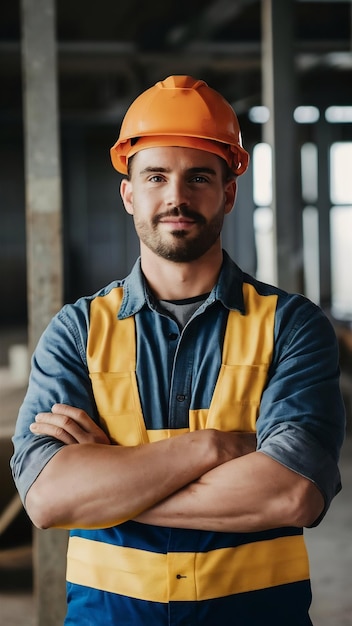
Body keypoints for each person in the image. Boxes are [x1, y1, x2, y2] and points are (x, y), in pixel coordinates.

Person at [11, 75, 345, 626]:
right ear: (128, 193)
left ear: (229, 192)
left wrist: (111, 488)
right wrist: (213, 448)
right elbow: (48, 499)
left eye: (198, 178)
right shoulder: (77, 331)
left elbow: (292, 495)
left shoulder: (292, 326)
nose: (176, 197)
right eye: (156, 177)